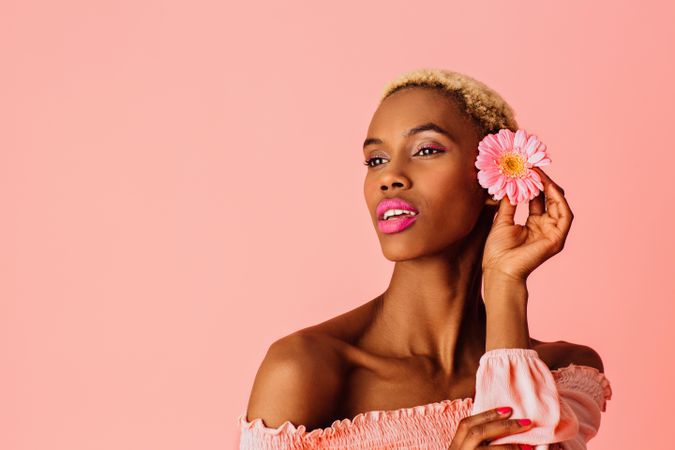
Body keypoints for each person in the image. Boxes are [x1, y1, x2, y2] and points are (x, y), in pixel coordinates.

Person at [237, 68, 612, 449]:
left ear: (494, 178)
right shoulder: (304, 370)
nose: (390, 177)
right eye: (375, 160)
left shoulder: (561, 376)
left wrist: (505, 283)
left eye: (426, 150)